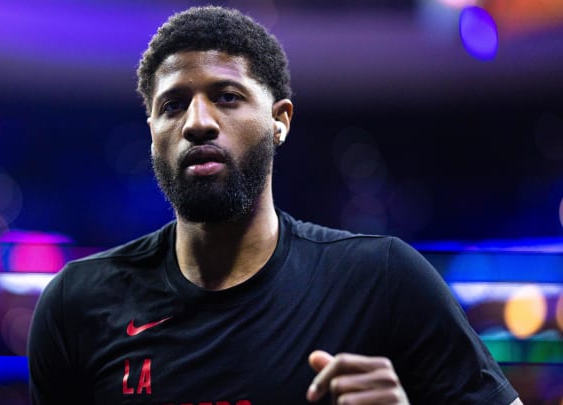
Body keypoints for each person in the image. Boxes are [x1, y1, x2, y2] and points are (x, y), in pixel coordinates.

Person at [27, 5, 522, 404]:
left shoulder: (383, 279)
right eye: (173, 105)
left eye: (226, 96)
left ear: (280, 121)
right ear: (152, 133)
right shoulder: (79, 303)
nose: (197, 121)